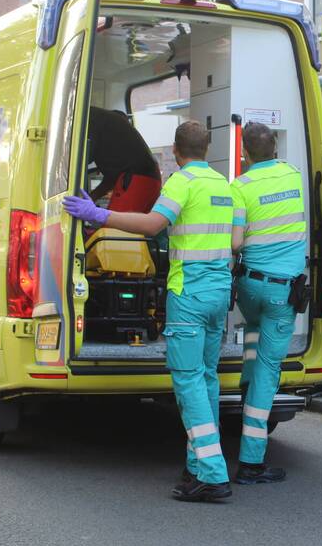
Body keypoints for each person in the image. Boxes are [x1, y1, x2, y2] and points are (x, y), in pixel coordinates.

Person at [64, 121, 236, 502]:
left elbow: (152, 224)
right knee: (206, 379)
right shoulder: (224, 185)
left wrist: (99, 215)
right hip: (219, 293)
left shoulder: (182, 182)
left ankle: (211, 472)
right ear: (207, 149)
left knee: (188, 381)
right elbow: (237, 240)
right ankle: (197, 466)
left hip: (188, 293)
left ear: (176, 151)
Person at [229, 122, 308, 485]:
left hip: (249, 287)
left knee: (253, 331)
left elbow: (235, 242)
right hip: (281, 292)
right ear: (274, 146)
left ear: (245, 152)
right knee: (268, 372)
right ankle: (251, 461)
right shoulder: (292, 176)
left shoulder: (238, 187)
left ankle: (246, 382)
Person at [87, 107, 162, 213]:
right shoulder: (105, 123)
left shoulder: (88, 119)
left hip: (137, 181)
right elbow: (112, 178)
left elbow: (81, 160)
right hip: (149, 180)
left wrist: (90, 198)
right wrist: (91, 198)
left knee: (115, 228)